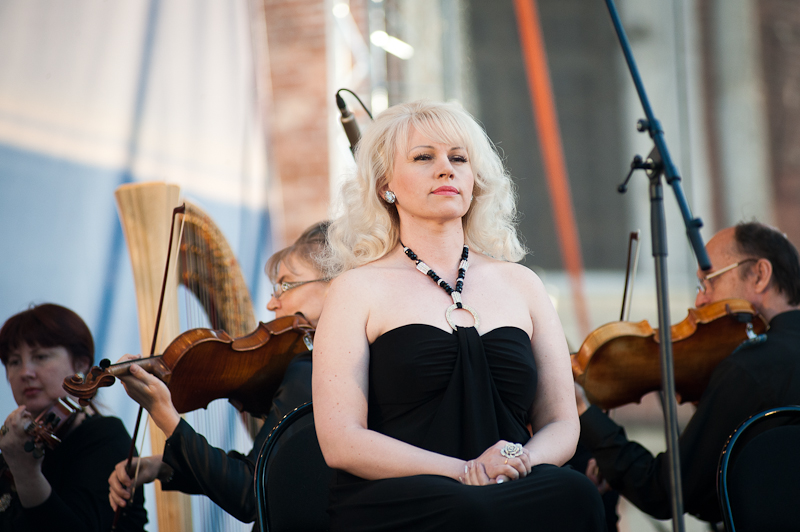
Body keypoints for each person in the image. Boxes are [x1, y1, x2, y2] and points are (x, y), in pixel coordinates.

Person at [312, 100, 606, 532]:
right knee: (472, 511)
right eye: (423, 157)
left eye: (459, 158)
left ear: (474, 181)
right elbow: (342, 442)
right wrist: (465, 471)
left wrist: (514, 461)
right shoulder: (355, 289)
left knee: (577, 494)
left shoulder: (522, 283)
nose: (446, 170)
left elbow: (561, 423)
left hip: (510, 481)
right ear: (385, 185)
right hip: (403, 494)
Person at [575, 221, 800, 524]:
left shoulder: (749, 368)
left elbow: (664, 492)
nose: (700, 300)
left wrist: (583, 409)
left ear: (759, 275)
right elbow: (713, 498)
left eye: (709, 281)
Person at [108, 221, 330, 524]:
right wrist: (162, 466)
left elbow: (250, 494)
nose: (271, 303)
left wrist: (164, 415)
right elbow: (262, 475)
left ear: (334, 285)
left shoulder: (311, 370)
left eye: (285, 285)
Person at [0, 303, 147, 531]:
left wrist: (25, 471)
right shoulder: (16, 446)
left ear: (81, 364)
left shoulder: (106, 437)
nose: (25, 372)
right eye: (14, 361)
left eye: (40, 357)